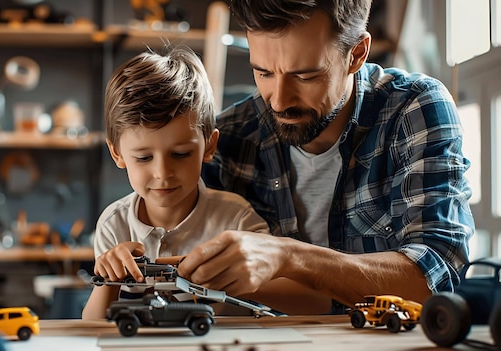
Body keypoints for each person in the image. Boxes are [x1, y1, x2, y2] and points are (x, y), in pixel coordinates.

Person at [177, 0, 475, 315]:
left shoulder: (413, 108)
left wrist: (289, 257)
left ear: (357, 53)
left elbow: (435, 279)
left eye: (305, 76)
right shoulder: (229, 138)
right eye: (263, 73)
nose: (279, 101)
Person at [81, 46, 269, 320]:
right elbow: (93, 328)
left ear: (209, 146)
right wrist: (107, 279)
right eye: (144, 157)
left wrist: (238, 274)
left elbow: (308, 300)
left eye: (180, 154)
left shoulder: (236, 219)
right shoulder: (114, 225)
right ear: (117, 154)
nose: (162, 173)